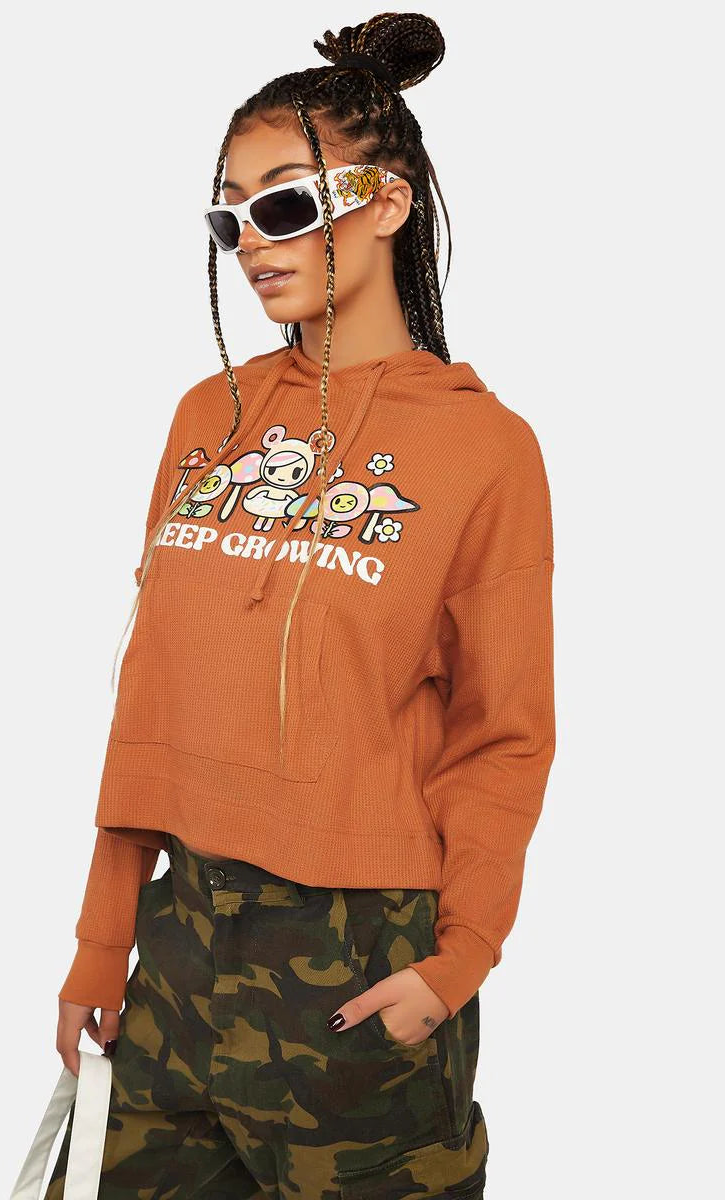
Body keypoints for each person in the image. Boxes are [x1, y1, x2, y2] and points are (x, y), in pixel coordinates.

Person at [46, 13, 556, 1198]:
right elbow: (151, 698)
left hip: (359, 960)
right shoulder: (206, 417)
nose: (251, 244)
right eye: (230, 216)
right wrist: (103, 939)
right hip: (177, 949)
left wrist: (460, 959)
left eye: (284, 204)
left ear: (388, 205)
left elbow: (503, 731)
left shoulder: (485, 449)